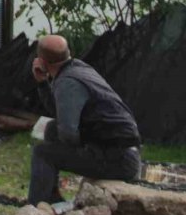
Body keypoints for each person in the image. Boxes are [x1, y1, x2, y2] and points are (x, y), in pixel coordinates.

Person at [28, 35, 141, 205]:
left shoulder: (68, 83)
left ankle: (35, 211)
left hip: (119, 160)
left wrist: (79, 148)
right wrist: (42, 84)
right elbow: (60, 114)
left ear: (42, 61)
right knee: (52, 129)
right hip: (122, 151)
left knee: (42, 153)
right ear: (68, 53)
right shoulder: (79, 69)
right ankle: (51, 199)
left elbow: (68, 134)